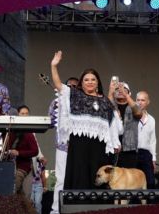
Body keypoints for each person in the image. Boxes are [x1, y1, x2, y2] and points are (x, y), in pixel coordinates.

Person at [50, 51, 122, 190]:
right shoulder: (75, 95)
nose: (90, 82)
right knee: (79, 174)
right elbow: (59, 85)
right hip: (79, 143)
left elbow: (112, 120)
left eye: (93, 79)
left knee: (97, 176)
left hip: (98, 145)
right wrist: (54, 66)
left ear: (97, 83)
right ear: (81, 83)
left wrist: (114, 141)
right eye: (86, 79)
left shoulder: (104, 100)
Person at [49, 77, 78, 214]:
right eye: (69, 85)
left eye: (75, 86)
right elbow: (50, 121)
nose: (72, 88)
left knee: (78, 178)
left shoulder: (83, 102)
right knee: (61, 179)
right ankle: (56, 210)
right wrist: (56, 108)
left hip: (79, 148)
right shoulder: (57, 101)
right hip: (63, 146)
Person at [16, 105, 47, 214]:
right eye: (22, 113)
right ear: (18, 114)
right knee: (20, 195)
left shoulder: (30, 130)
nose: (24, 115)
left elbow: (36, 147)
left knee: (27, 197)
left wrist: (41, 156)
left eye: (26, 113)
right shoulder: (14, 128)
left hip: (28, 167)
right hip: (15, 166)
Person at [108, 81, 142, 168]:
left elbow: (138, 113)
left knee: (129, 178)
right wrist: (110, 92)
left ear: (129, 93)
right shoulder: (111, 105)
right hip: (112, 147)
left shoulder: (133, 106)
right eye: (117, 89)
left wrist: (126, 96)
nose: (120, 90)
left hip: (129, 150)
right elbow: (106, 110)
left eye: (124, 89)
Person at [135, 91, 157, 189]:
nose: (140, 102)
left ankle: (148, 204)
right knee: (133, 182)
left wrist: (153, 158)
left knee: (150, 182)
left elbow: (152, 140)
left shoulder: (151, 119)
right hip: (133, 153)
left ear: (147, 102)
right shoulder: (131, 116)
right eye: (138, 100)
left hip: (146, 154)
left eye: (143, 100)